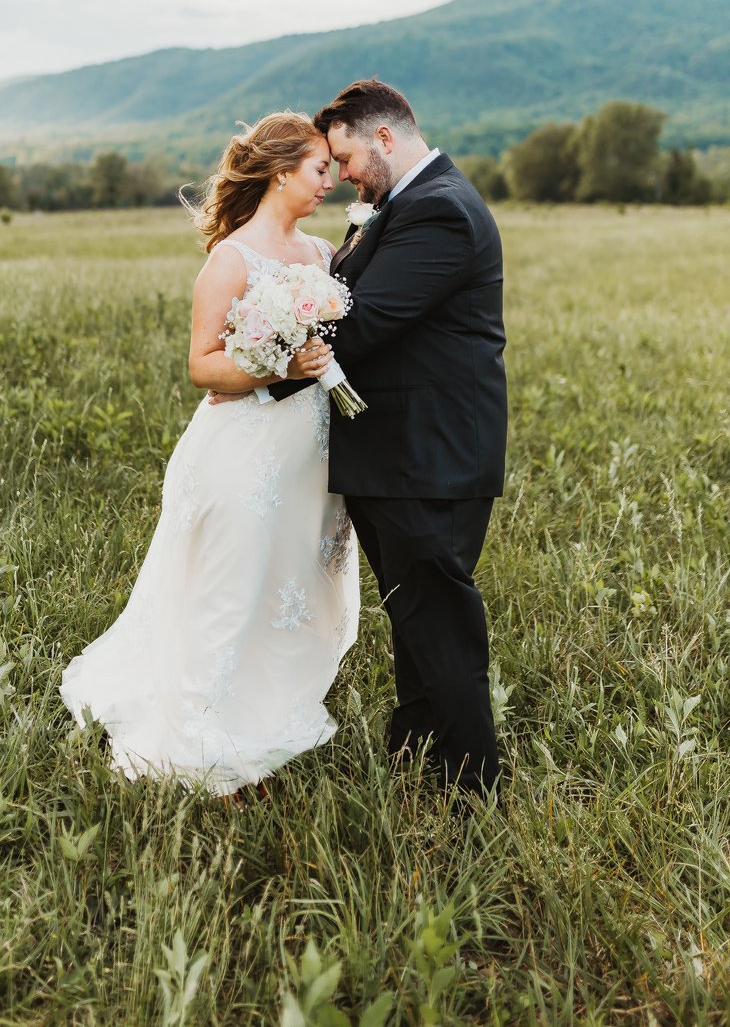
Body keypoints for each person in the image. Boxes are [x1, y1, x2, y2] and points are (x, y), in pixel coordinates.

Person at [212, 80, 507, 797]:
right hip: (399, 455)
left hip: (428, 457)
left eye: (344, 156)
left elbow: (365, 322)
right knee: (415, 617)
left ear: (382, 138)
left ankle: (474, 789)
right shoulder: (402, 206)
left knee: (440, 625)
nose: (341, 173)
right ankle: (417, 760)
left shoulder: (437, 210)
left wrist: (258, 370)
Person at [59, 112, 360, 797]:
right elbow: (202, 366)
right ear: (282, 173)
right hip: (243, 450)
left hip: (310, 454)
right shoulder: (230, 259)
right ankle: (201, 725)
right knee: (233, 584)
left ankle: (276, 698)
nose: (329, 181)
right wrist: (280, 365)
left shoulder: (320, 257)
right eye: (318, 169)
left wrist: (319, 359)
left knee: (296, 579)